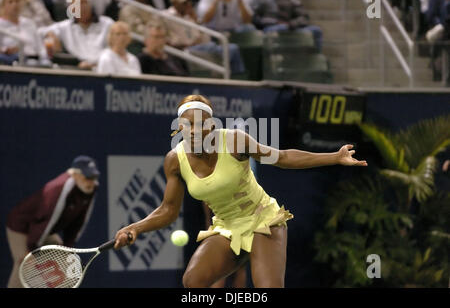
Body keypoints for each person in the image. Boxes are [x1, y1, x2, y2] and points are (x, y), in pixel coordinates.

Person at [113, 94, 368, 287]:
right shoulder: (174, 160)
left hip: (262, 219)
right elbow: (168, 209)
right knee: (193, 281)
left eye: (199, 124)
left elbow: (282, 157)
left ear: (211, 126)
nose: (193, 130)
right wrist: (135, 227)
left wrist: (334, 157)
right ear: (179, 128)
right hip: (226, 227)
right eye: (186, 125)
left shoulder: (235, 141)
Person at [6, 155, 100, 288]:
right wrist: (31, 250)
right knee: (24, 263)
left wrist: (68, 247)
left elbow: (78, 223)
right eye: (86, 177)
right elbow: (45, 220)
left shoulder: (91, 189)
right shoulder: (60, 188)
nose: (90, 182)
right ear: (74, 174)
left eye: (93, 177)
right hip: (21, 225)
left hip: (43, 228)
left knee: (64, 260)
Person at [165, 0, 246, 74]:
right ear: (175, 3)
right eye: (185, 2)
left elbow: (202, 34)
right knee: (228, 49)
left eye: (190, 1)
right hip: (186, 50)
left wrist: (195, 19)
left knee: (232, 48)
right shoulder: (166, 16)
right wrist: (187, 45)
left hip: (202, 46)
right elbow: (168, 41)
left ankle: (237, 78)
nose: (188, 5)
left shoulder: (189, 16)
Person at [39, 0, 114, 70]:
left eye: (84, 2)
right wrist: (50, 35)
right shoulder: (64, 27)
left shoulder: (107, 23)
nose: (82, 7)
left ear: (90, 3)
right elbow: (41, 32)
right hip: (76, 69)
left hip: (104, 68)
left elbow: (115, 50)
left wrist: (97, 64)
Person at [251, 0, 323, 52]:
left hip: (290, 28)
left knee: (316, 30)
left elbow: (304, 17)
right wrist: (272, 22)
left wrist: (294, 23)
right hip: (270, 29)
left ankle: (315, 60)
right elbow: (253, 18)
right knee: (277, 29)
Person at [0, 0, 50, 66]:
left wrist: (45, 59)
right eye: (10, 2)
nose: (14, 5)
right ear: (3, 5)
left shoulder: (29, 23)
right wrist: (6, 50)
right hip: (10, 63)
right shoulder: (1, 25)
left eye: (17, 1)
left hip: (35, 62)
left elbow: (41, 48)